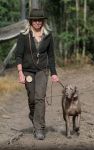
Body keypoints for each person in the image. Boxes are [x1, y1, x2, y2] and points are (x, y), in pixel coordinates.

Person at [15, 8, 59, 140]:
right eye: (35, 20)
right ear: (31, 21)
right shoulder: (24, 36)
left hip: (42, 70)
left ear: (43, 21)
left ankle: (39, 128)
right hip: (28, 71)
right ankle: (34, 117)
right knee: (32, 98)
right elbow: (18, 55)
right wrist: (20, 73)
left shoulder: (48, 35)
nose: (38, 22)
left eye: (40, 20)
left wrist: (54, 73)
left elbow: (51, 56)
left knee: (40, 98)